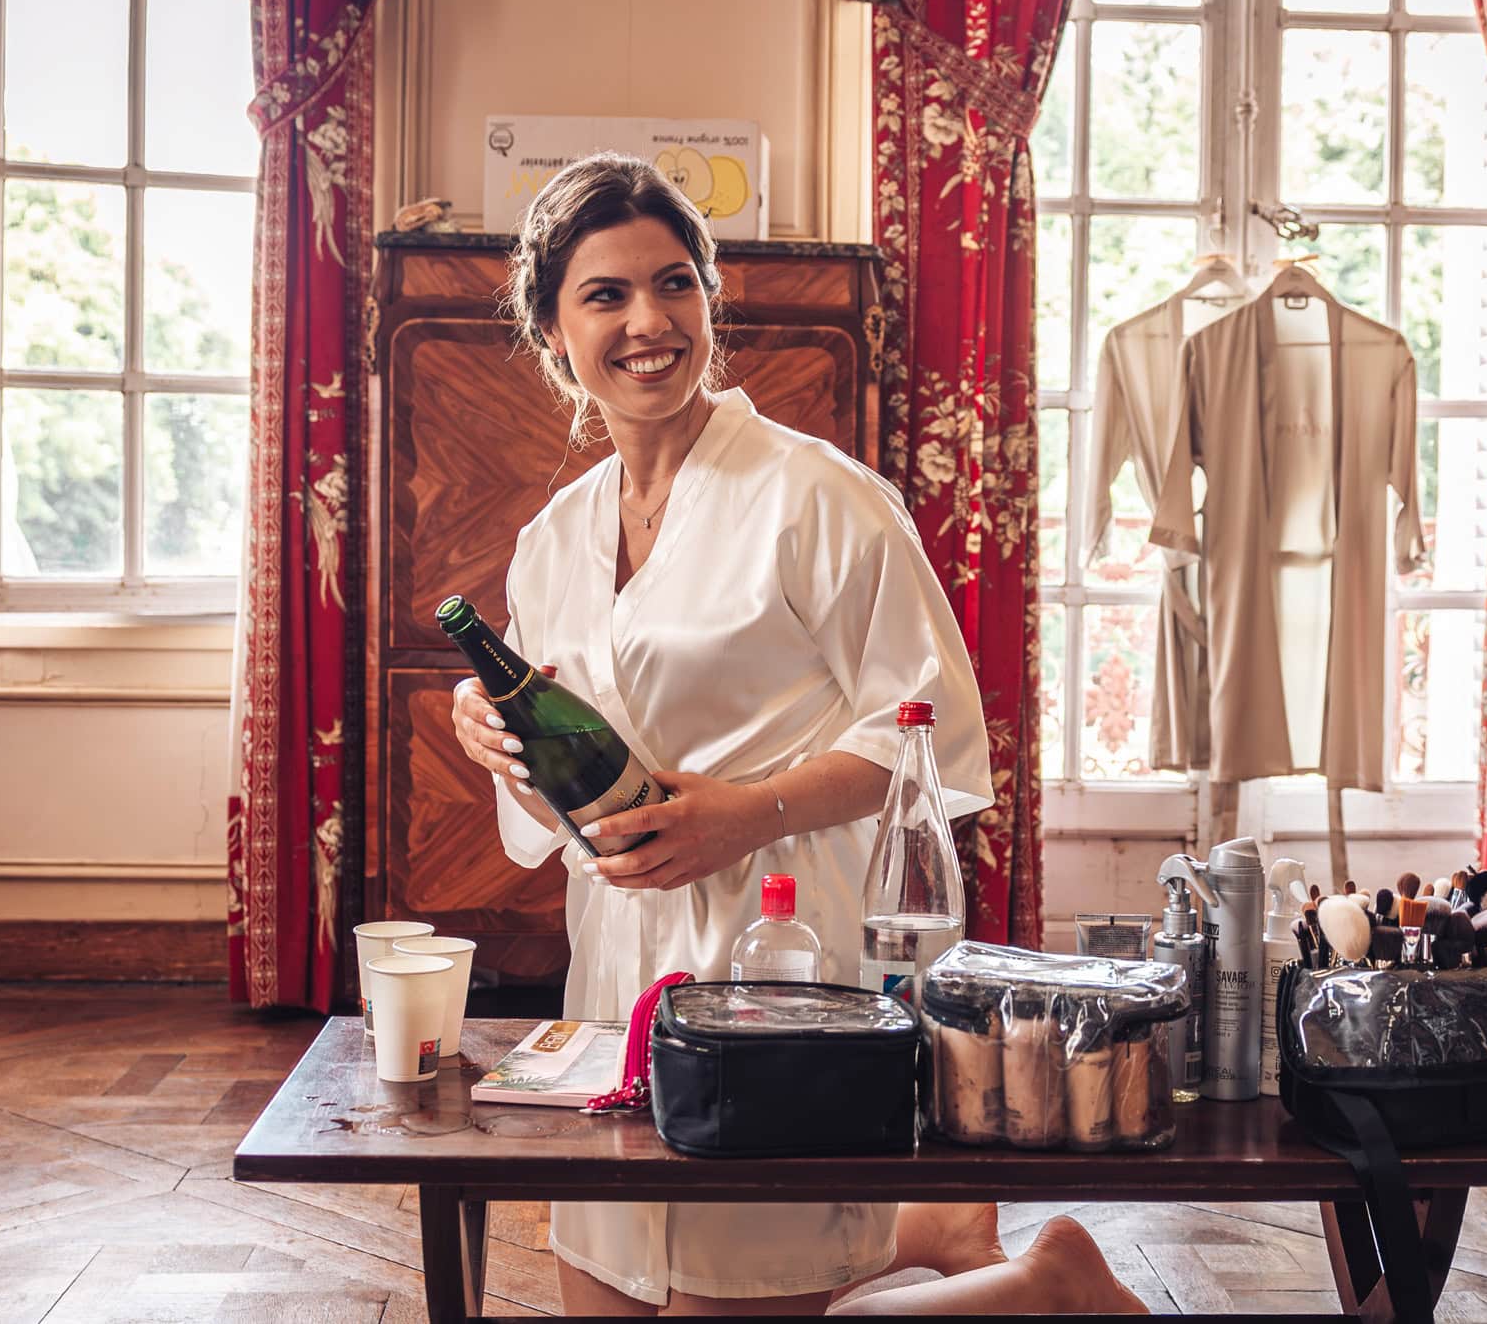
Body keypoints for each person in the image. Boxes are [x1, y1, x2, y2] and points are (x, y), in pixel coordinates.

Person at [449, 152, 1144, 1317]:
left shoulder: (818, 497)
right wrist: (494, 741)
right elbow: (559, 799)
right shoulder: (551, 541)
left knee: (754, 1278)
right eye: (606, 295)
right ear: (553, 334)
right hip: (617, 969)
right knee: (616, 1279)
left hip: (779, 954)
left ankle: (1042, 1284)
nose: (647, 321)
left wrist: (748, 811)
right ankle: (948, 1242)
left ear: (709, 299)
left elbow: (934, 735)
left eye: (674, 283)